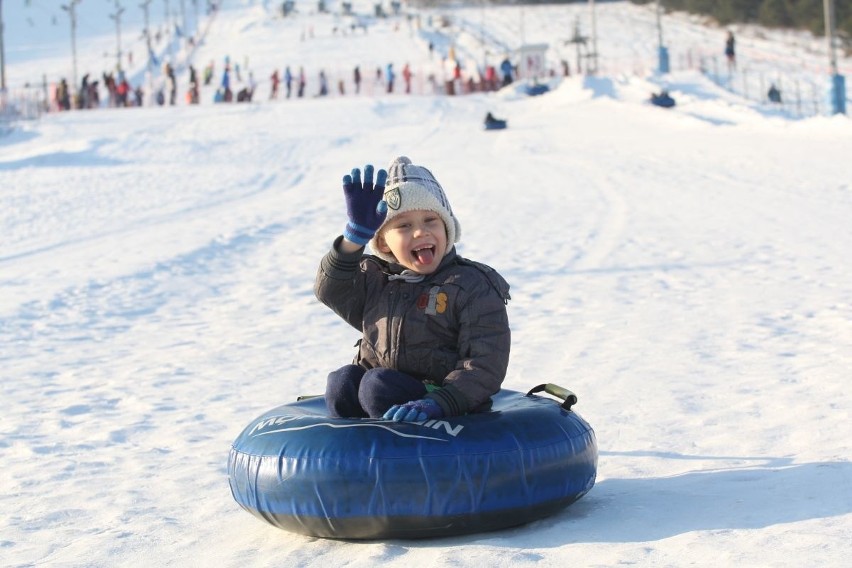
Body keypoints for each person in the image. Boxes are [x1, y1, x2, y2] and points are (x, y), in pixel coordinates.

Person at [315, 156, 512, 422]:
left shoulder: (470, 284)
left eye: (430, 220)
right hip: (378, 387)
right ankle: (351, 455)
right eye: (404, 225)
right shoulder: (375, 279)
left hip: (446, 401)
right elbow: (330, 290)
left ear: (447, 229)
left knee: (377, 387)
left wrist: (443, 401)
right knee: (342, 383)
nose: (420, 233)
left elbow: (485, 363)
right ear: (384, 244)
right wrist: (353, 239)